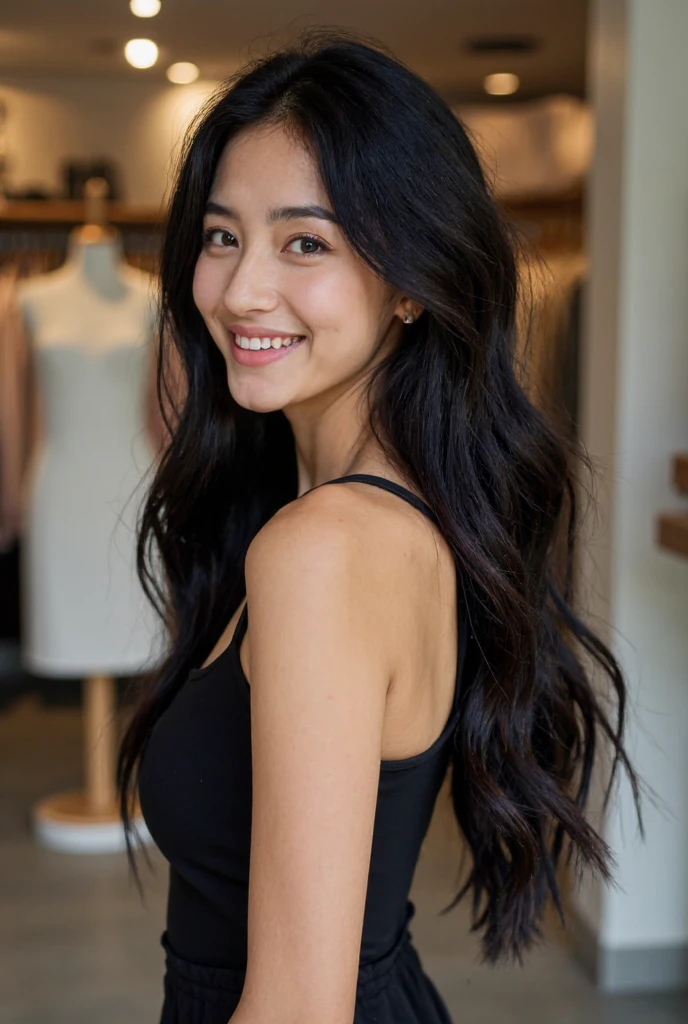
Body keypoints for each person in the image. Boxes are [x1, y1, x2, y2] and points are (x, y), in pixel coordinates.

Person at [117, 31, 643, 1024]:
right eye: (222, 235)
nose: (238, 290)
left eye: (304, 242)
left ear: (410, 280)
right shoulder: (373, 515)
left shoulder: (322, 551)